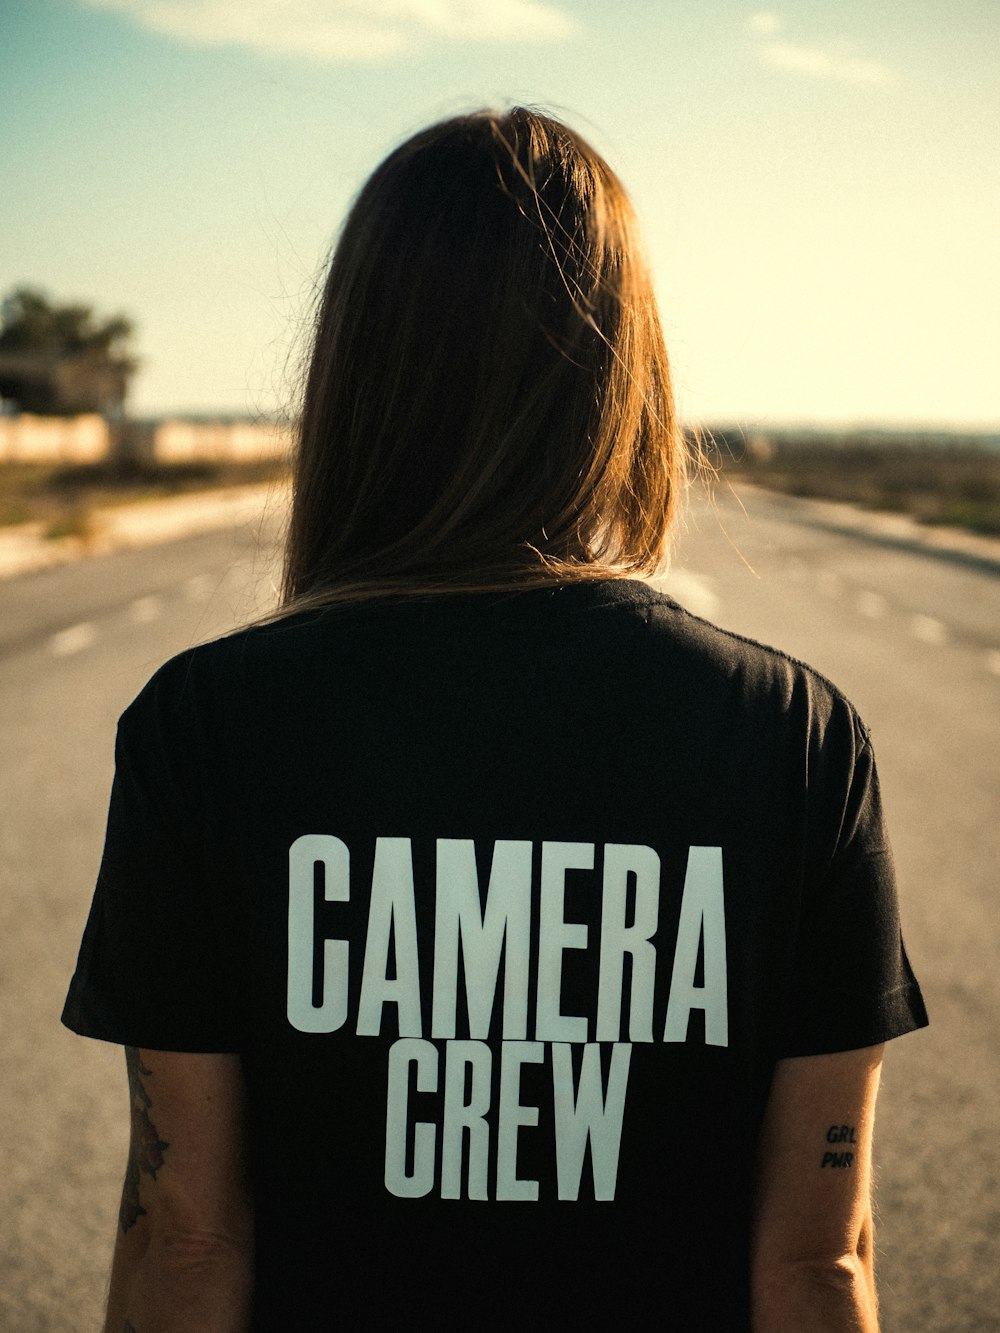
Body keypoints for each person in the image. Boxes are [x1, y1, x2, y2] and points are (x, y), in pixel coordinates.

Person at [63, 107, 928, 1332]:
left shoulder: (202, 725)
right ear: (622, 378)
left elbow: (186, 1235)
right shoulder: (794, 739)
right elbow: (815, 1264)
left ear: (358, 371)